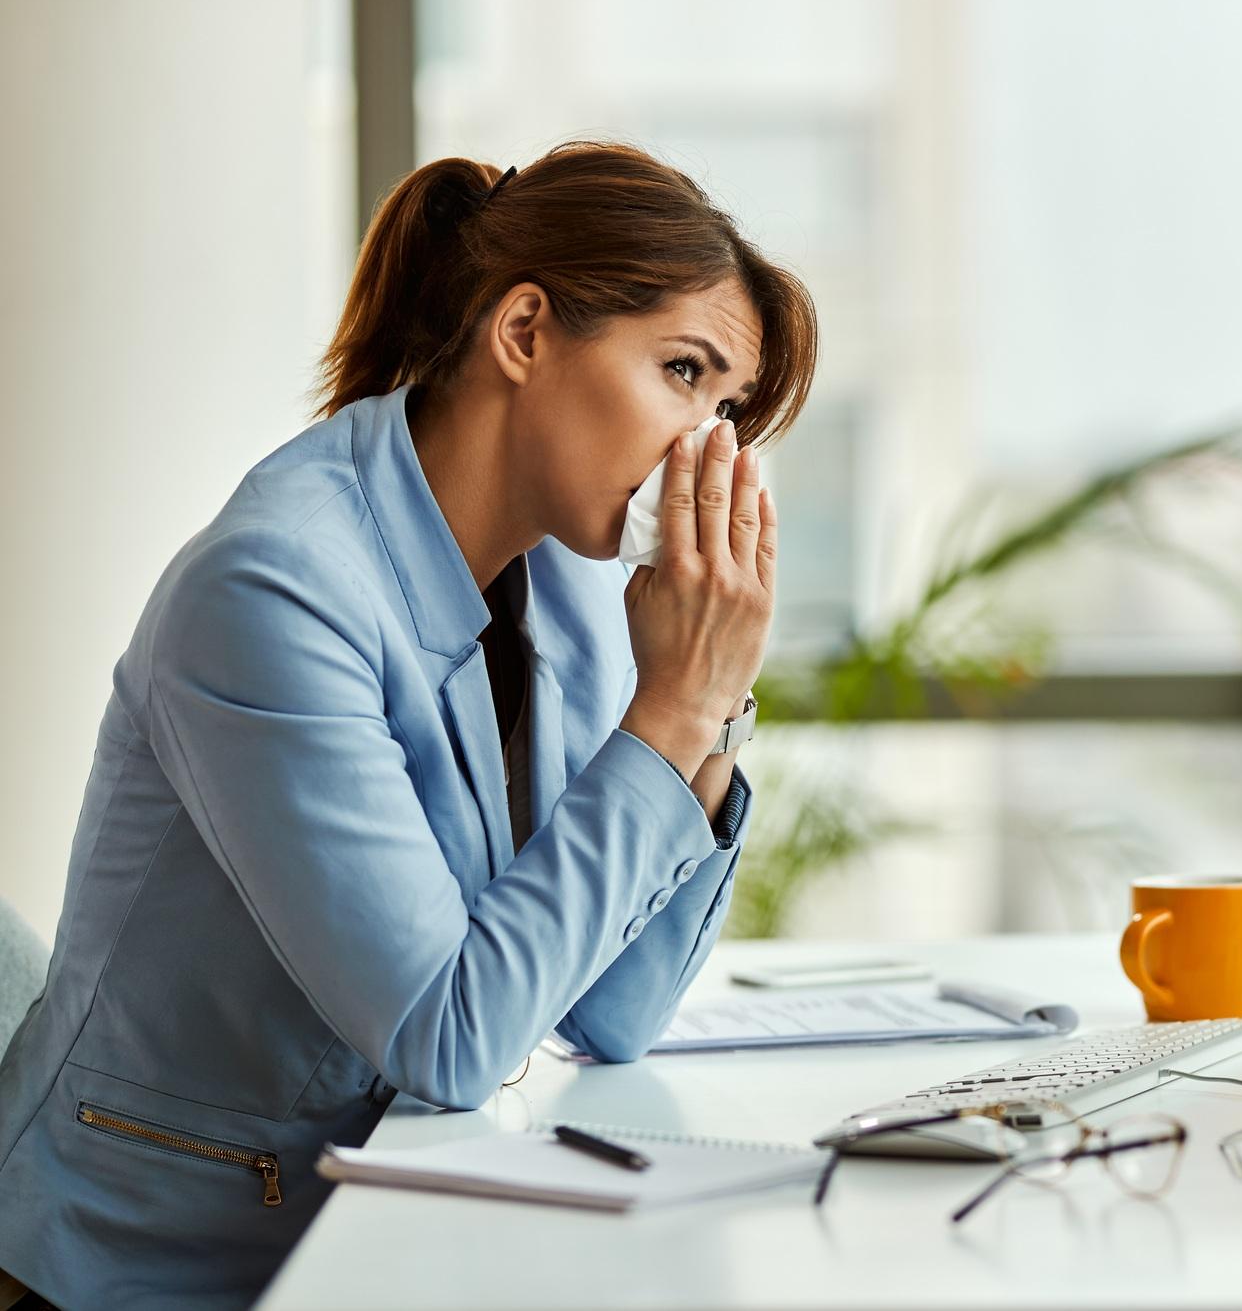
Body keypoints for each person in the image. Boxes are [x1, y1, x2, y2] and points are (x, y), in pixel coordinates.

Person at [0, 141, 816, 1310]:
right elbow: (451, 1035)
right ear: (525, 332)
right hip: (146, 1273)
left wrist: (714, 705)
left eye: (728, 407)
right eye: (684, 372)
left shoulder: (571, 592)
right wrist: (674, 706)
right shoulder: (272, 590)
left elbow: (611, 1010)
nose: (709, 449)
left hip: (369, 1238)